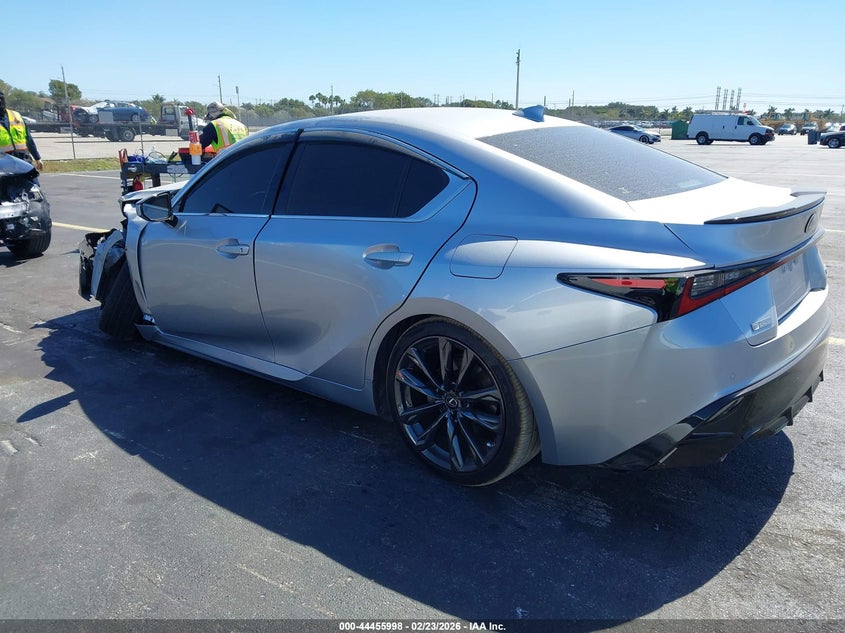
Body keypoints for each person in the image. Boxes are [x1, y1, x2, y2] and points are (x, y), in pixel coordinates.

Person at [0, 91, 43, 171]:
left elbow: (28, 139)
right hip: (4, 164)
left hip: (23, 160)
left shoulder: (16, 115)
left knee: (33, 182)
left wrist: (37, 158)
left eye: (1, 99)